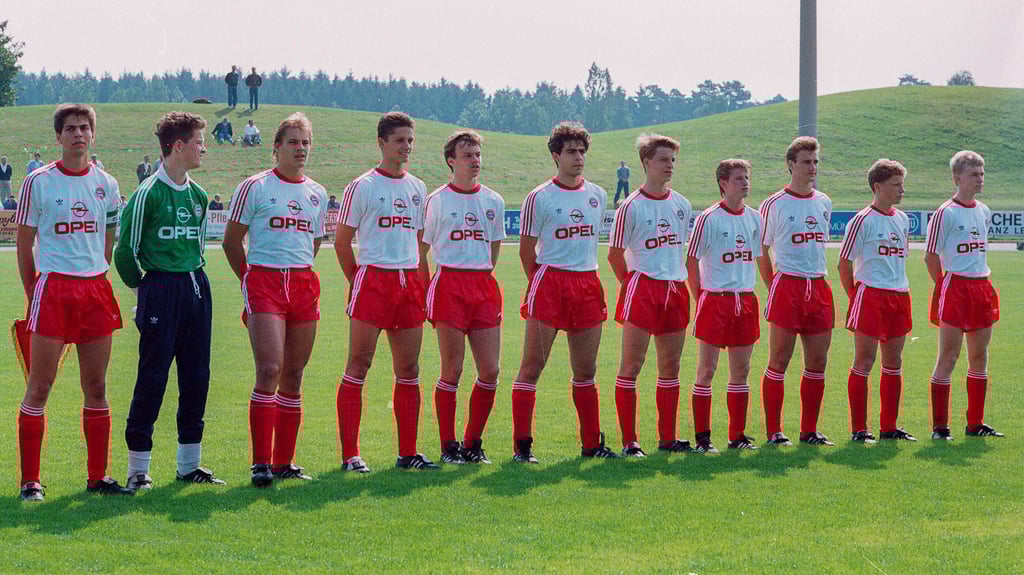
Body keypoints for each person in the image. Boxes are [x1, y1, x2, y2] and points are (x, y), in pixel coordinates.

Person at [14, 103, 132, 501]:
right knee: (40, 386)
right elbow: (24, 243)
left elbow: (108, 238)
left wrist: (97, 268)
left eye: (84, 128)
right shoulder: (40, 182)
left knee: (96, 386)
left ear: (93, 135)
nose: (78, 134)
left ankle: (97, 477)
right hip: (54, 290)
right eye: (70, 129)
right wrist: (34, 295)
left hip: (95, 289)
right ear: (59, 136)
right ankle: (31, 481)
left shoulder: (108, 184)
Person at [114, 111, 224, 489]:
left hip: (196, 285)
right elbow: (125, 252)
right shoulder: (147, 193)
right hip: (160, 289)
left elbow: (195, 247)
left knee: (197, 377)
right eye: (198, 143)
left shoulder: (198, 195)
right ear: (178, 147)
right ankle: (138, 470)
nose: (203, 149)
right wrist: (143, 293)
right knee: (153, 378)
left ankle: (188, 465)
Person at [223, 112, 328, 487]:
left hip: (302, 283)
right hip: (264, 280)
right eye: (293, 142)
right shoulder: (255, 187)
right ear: (276, 148)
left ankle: (285, 461)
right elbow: (231, 241)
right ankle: (260, 463)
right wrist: (249, 279)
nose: (300, 149)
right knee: (269, 369)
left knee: (294, 375)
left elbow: (314, 243)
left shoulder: (317, 193)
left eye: (306, 142)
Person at [335, 111, 435, 472]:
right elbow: (343, 242)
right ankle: (351, 455)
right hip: (373, 280)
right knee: (359, 365)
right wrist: (357, 282)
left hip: (409, 282)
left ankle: (408, 453)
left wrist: (422, 288)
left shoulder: (418, 187)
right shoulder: (362, 186)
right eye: (399, 140)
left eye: (410, 140)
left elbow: (420, 243)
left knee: (408, 368)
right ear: (381, 143)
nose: (406, 147)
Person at [512, 121, 617, 462]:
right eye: (571, 151)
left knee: (586, 371)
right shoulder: (539, 197)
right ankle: (522, 447)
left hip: (587, 283)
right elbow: (526, 251)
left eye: (582, 151)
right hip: (550, 282)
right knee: (532, 367)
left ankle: (591, 444)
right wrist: (540, 283)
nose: (578, 157)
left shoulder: (598, 195)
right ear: (556, 156)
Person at [419, 130, 505, 464]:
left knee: (490, 370)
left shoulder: (494, 200)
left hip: (482, 286)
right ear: (451, 161)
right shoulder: (437, 199)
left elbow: (494, 247)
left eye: (478, 155)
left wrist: (481, 273)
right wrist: (428, 291)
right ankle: (448, 445)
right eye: (467, 155)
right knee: (451, 369)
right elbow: (420, 251)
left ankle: (473, 442)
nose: (475, 161)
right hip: (449, 285)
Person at [608, 134, 694, 457]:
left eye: (672, 160)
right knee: (632, 365)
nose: (670, 166)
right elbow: (615, 256)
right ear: (646, 163)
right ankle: (630, 441)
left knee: (670, 366)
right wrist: (631, 286)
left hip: (675, 288)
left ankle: (668, 438)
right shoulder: (630, 206)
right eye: (663, 159)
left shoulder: (682, 205)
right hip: (642, 288)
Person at [756, 136, 835, 446]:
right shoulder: (774, 203)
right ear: (790, 165)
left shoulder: (824, 201)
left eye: (816, 162)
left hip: (818, 285)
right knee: (779, 361)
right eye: (806, 162)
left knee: (817, 363)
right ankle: (774, 431)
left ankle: (809, 430)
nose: (812, 167)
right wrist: (773, 283)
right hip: (787, 284)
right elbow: (761, 249)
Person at [685, 159, 763, 451]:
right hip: (715, 300)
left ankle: (737, 436)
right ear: (723, 184)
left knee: (740, 372)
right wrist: (701, 298)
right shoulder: (709, 217)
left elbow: (754, 257)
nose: (745, 182)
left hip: (745, 299)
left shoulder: (755, 218)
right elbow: (691, 261)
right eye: (738, 178)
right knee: (706, 371)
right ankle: (703, 439)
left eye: (747, 177)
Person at [925, 151, 1004, 440]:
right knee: (948, 356)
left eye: (982, 174)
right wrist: (944, 285)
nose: (980, 179)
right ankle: (940, 427)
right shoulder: (945, 212)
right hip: (955, 287)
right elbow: (931, 256)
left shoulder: (984, 210)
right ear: (958, 178)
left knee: (979, 357)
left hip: (982, 286)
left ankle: (975, 423)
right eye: (974, 174)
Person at [839, 159, 915, 443]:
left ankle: (889, 427)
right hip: (870, 296)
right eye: (896, 185)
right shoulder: (861, 220)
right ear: (878, 187)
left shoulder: (903, 219)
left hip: (899, 295)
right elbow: (843, 264)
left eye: (902, 184)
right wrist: (855, 294)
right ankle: (859, 429)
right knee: (864, 361)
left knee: (894, 362)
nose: (902, 190)